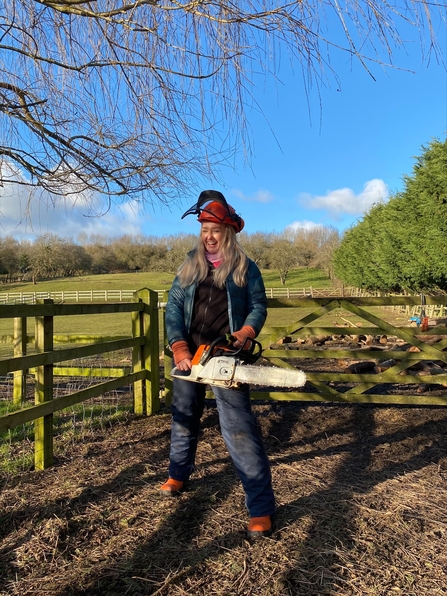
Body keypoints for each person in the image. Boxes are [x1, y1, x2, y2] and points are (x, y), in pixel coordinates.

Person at [161, 190, 275, 539]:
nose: (209, 236)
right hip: (189, 356)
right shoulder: (189, 265)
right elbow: (174, 308)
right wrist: (179, 347)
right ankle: (179, 473)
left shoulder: (245, 266)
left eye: (215, 230)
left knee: (239, 428)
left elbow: (258, 304)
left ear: (228, 232)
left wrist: (245, 332)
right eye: (204, 229)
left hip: (226, 355)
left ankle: (260, 508)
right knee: (184, 417)